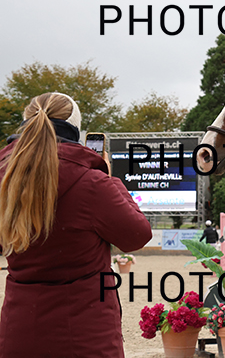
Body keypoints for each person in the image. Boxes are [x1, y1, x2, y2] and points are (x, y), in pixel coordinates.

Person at [0, 93, 152, 357]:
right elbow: (136, 235)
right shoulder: (92, 182)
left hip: (19, 326)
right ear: (75, 131)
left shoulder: (5, 178)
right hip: (85, 332)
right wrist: (109, 179)